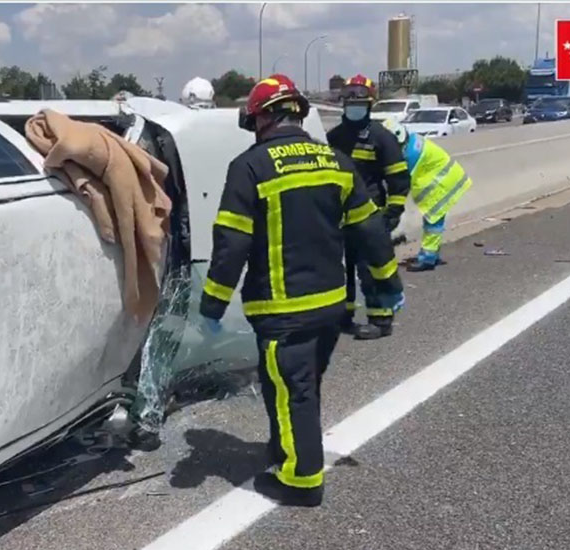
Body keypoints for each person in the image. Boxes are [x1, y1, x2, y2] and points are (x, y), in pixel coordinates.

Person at [197, 74, 404, 507]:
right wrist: (388, 285)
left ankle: (301, 480)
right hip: (330, 308)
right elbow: (370, 233)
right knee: (297, 386)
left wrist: (212, 304)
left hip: (282, 310)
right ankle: (284, 448)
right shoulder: (335, 161)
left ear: (262, 118)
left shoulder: (249, 167)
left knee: (294, 391)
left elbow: (231, 242)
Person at [326, 74, 411, 340]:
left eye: (359, 99)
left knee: (372, 269)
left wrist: (392, 214)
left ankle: (381, 320)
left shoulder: (381, 137)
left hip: (371, 217)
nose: (353, 104)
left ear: (370, 103)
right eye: (349, 99)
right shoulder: (333, 137)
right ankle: (345, 316)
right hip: (339, 218)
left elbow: (398, 180)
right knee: (341, 269)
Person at [381, 118, 472, 270]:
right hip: (448, 178)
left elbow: (398, 183)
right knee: (434, 221)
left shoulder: (409, 156)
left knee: (433, 222)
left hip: (439, 185)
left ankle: (428, 259)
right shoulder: (411, 140)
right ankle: (432, 255)